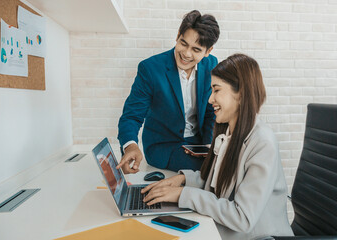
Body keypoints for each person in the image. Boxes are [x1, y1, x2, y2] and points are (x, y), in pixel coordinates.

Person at [141, 54, 294, 239]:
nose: (210, 99)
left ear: (240, 94)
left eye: (216, 90)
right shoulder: (228, 132)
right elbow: (217, 185)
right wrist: (182, 180)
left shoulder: (262, 143)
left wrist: (183, 194)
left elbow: (242, 217)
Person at [117, 10, 220, 174]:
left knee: (229, 162)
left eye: (196, 49)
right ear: (178, 35)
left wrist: (209, 147)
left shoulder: (211, 65)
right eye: (183, 43)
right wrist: (130, 146)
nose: (186, 54)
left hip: (199, 143)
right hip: (164, 146)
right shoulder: (150, 68)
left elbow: (210, 112)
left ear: (208, 51)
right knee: (210, 170)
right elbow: (132, 115)